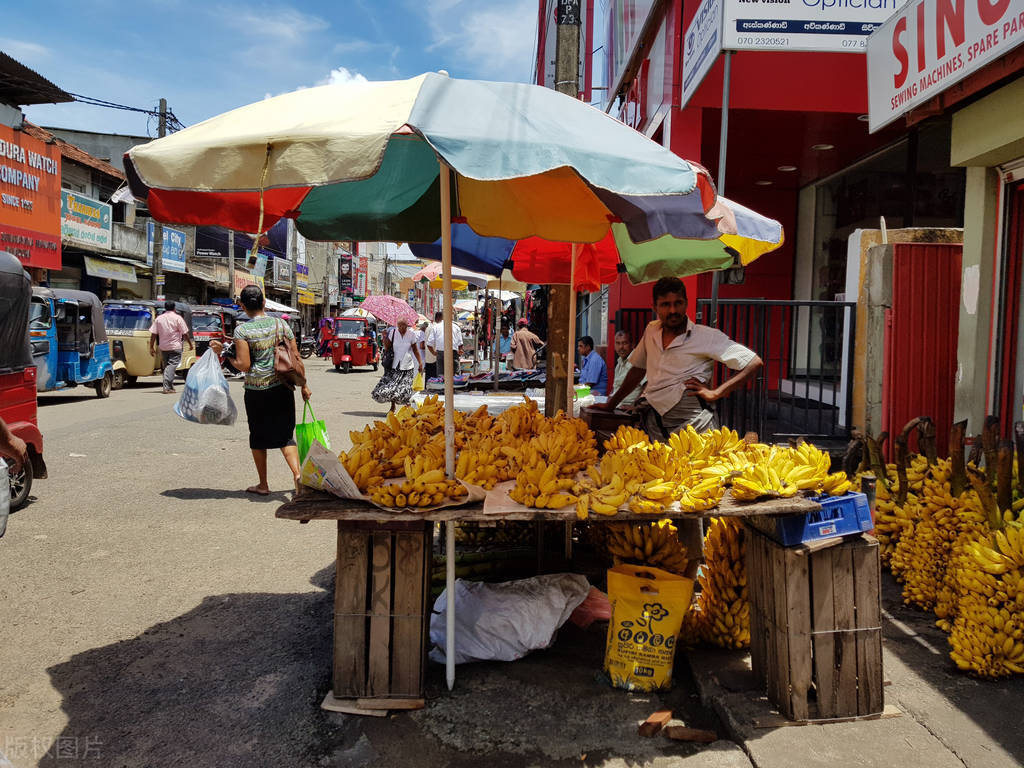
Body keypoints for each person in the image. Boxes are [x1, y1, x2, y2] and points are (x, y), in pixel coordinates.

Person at [594, 277, 763, 439]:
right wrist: (611, 404)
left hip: (696, 426)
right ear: (655, 307)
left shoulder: (705, 336)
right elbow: (638, 369)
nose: (673, 310)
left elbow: (753, 362)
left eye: (678, 303)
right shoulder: (651, 331)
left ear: (686, 303)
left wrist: (716, 393)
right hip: (656, 425)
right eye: (665, 304)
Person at [211, 285, 311, 496]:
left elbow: (244, 365)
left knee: (258, 437)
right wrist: (304, 385)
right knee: (285, 437)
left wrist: (225, 353)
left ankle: (263, 484)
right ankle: (297, 475)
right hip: (282, 387)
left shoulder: (242, 331)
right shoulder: (282, 324)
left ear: (243, 306)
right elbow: (296, 358)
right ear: (264, 303)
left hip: (256, 391)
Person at [372, 318, 423, 412]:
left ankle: (408, 408)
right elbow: (387, 347)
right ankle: (393, 406)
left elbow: (415, 350)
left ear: (407, 326)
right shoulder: (393, 332)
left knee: (406, 388)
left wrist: (420, 363)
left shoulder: (411, 334)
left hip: (407, 365)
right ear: (397, 326)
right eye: (400, 326)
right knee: (393, 387)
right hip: (394, 364)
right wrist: (385, 337)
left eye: (404, 326)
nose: (402, 328)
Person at [149, 300, 193, 394]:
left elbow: (153, 334)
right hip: (175, 347)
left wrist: (151, 346)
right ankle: (167, 387)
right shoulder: (178, 318)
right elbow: (185, 333)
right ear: (174, 308)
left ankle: (169, 386)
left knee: (167, 367)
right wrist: (190, 344)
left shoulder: (159, 318)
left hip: (164, 347)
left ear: (165, 308)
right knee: (171, 366)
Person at [425, 310, 464, 379]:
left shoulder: (436, 327)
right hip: (453, 353)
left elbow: (429, 344)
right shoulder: (456, 327)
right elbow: (460, 343)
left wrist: (433, 353)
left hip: (440, 353)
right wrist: (460, 350)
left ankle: (442, 384)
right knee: (455, 375)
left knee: (441, 376)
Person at [612, 329, 644, 409]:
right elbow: (616, 387)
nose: (621, 347)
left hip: (630, 411)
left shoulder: (638, 360)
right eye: (618, 343)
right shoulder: (619, 363)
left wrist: (634, 406)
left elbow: (648, 387)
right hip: (617, 408)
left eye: (624, 343)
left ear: (632, 344)